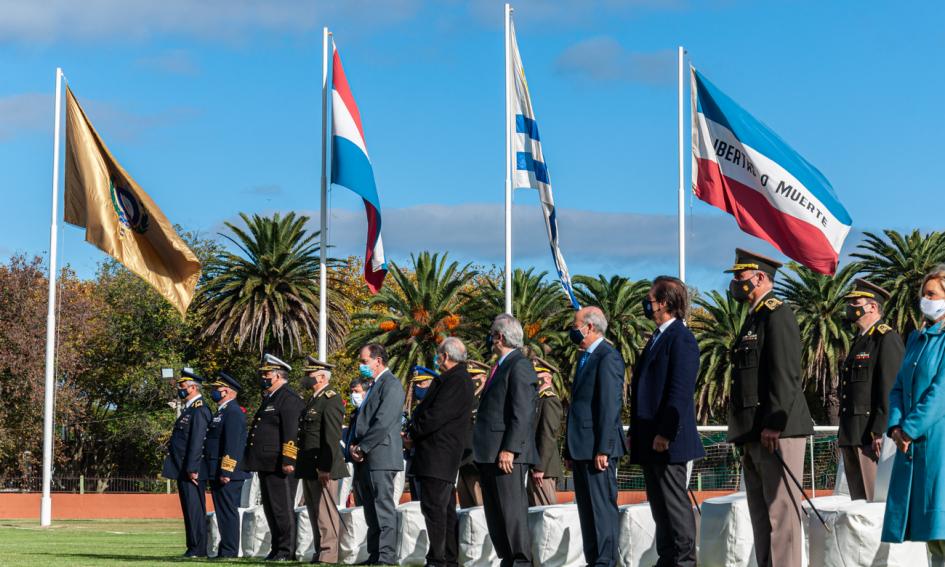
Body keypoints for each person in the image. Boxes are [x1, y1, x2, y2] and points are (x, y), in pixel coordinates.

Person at [725, 249, 813, 567]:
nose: (735, 283)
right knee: (761, 518)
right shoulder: (754, 317)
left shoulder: (777, 313)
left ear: (760, 277)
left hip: (778, 430)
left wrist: (775, 422)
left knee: (782, 516)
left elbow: (786, 373)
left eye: (740, 277)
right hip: (754, 432)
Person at [628, 276, 704, 567]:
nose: (647, 304)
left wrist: (665, 433)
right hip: (650, 439)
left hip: (667, 441)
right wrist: (637, 432)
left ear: (664, 303)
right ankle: (668, 558)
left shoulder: (681, 338)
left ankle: (684, 561)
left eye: (650, 299)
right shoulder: (659, 337)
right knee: (660, 507)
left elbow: (680, 390)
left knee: (674, 506)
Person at [883, 266, 945, 564]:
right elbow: (897, 388)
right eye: (923, 294)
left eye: (931, 294)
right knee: (931, 536)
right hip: (914, 446)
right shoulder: (915, 339)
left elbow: (940, 393)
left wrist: (909, 428)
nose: (925, 299)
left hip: (938, 445)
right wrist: (895, 426)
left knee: (940, 525)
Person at [473, 314, 537, 567]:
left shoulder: (519, 365)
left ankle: (520, 562)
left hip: (506, 454)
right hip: (489, 453)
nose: (489, 338)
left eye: (492, 334)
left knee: (511, 514)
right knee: (497, 514)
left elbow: (522, 412)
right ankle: (508, 560)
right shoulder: (500, 366)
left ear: (499, 336)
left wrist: (510, 448)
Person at [406, 337, 475, 567]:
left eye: (439, 355)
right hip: (436, 453)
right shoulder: (452, 378)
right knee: (441, 509)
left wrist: (413, 433)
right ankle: (445, 556)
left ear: (445, 356)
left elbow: (437, 415)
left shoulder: (457, 380)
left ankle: (440, 558)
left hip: (439, 453)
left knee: (435, 508)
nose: (437, 359)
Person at [565, 306, 626, 567]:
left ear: (589, 327)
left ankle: (605, 562)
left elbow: (609, 406)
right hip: (581, 449)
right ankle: (594, 562)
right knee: (587, 514)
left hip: (597, 451)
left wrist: (604, 448)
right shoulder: (585, 357)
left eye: (576, 323)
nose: (572, 328)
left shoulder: (607, 357)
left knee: (602, 512)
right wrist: (569, 450)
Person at [839, 279, 904, 501]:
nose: (850, 308)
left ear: (872, 307)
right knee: (859, 504)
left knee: (875, 503)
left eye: (855, 302)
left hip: (870, 437)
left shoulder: (885, 339)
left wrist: (880, 431)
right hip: (852, 434)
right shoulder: (860, 341)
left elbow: (890, 387)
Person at [243, 353, 305, 562]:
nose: (263, 377)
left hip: (280, 463)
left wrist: (289, 460)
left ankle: (286, 550)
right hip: (267, 462)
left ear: (278, 376)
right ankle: (277, 548)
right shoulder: (272, 398)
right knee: (271, 508)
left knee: (282, 508)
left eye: (266, 374)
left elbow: (291, 432)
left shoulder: (288, 398)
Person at [349, 343, 405, 565]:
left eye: (365, 361)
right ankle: (375, 554)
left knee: (383, 508)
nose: (361, 366)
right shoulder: (373, 384)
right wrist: (355, 446)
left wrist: (363, 447)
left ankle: (386, 556)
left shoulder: (391, 385)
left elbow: (382, 422)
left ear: (378, 361)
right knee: (371, 511)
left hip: (380, 456)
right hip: (367, 457)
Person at [296, 356, 348, 564]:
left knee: (326, 511)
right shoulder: (314, 399)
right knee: (314, 511)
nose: (305, 378)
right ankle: (320, 551)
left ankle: (329, 553)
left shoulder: (331, 399)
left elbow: (331, 437)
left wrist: (324, 467)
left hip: (323, 466)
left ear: (320, 376)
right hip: (309, 465)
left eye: (309, 374)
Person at [162, 369, 211, 559]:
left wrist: (192, 468)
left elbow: (197, 442)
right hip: (182, 468)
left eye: (182, 387)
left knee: (195, 509)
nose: (180, 390)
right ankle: (192, 547)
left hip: (191, 469)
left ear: (193, 388)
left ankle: (198, 549)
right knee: (189, 510)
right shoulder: (189, 410)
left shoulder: (199, 410)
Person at [204, 371, 250, 559]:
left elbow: (232, 445)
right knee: (222, 512)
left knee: (227, 512)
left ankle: (230, 550)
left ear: (227, 392)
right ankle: (225, 548)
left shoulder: (233, 412)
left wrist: (226, 470)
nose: (214, 392)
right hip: (217, 470)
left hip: (228, 473)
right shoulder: (222, 412)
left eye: (217, 389)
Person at [529, 357, 563, 507]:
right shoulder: (537, 400)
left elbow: (547, 435)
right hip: (535, 465)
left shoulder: (549, 400)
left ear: (548, 378)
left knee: (546, 512)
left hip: (544, 469)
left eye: (537, 375)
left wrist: (540, 467)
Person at [457, 360, 489, 508]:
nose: (470, 380)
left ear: (483, 378)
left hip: (476, 461)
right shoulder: (467, 400)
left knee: (480, 508)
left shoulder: (485, 399)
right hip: (462, 459)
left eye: (473, 376)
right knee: (466, 508)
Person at [405, 366, 437, 501]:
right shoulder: (418, 408)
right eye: (416, 383)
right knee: (416, 505)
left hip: (429, 462)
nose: (418, 387)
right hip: (415, 460)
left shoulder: (435, 406)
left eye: (422, 383)